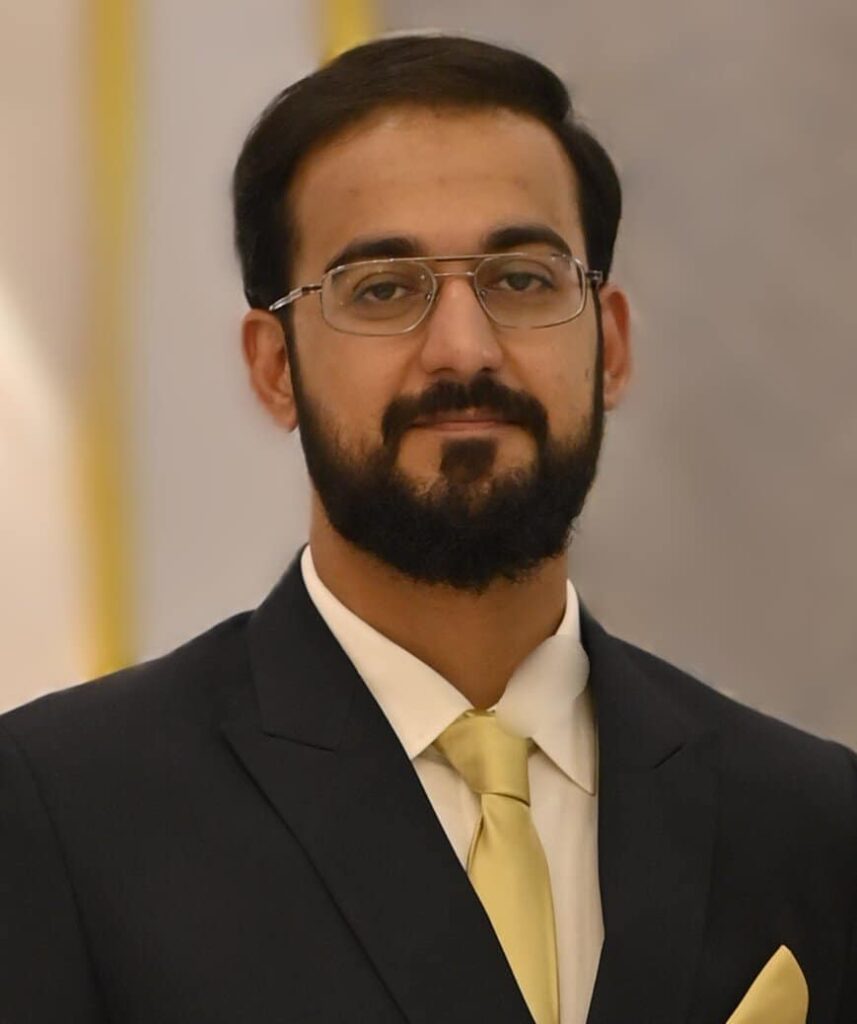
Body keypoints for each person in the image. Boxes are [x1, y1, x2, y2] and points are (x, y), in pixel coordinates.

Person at [1, 34, 855, 1024]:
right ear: (274, 366)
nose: (463, 349)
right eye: (382, 290)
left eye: (521, 279)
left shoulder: (807, 819)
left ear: (608, 346)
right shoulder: (63, 813)